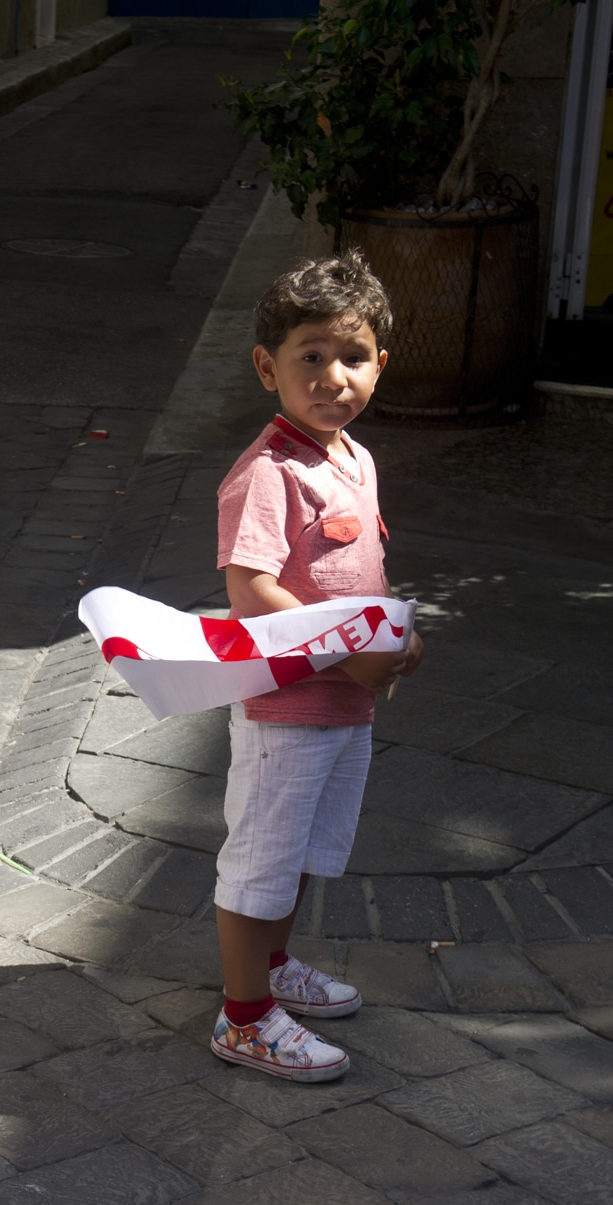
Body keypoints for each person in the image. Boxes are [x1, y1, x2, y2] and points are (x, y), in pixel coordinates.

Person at [209, 250, 423, 1083]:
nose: (333, 376)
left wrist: (395, 631)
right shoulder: (268, 473)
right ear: (268, 368)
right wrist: (354, 648)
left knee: (299, 852)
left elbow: (361, 574)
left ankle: (270, 968)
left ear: (379, 364)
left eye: (353, 356)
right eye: (310, 356)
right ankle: (243, 1019)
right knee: (260, 861)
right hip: (286, 711)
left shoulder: (352, 459)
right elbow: (250, 592)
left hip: (345, 707)